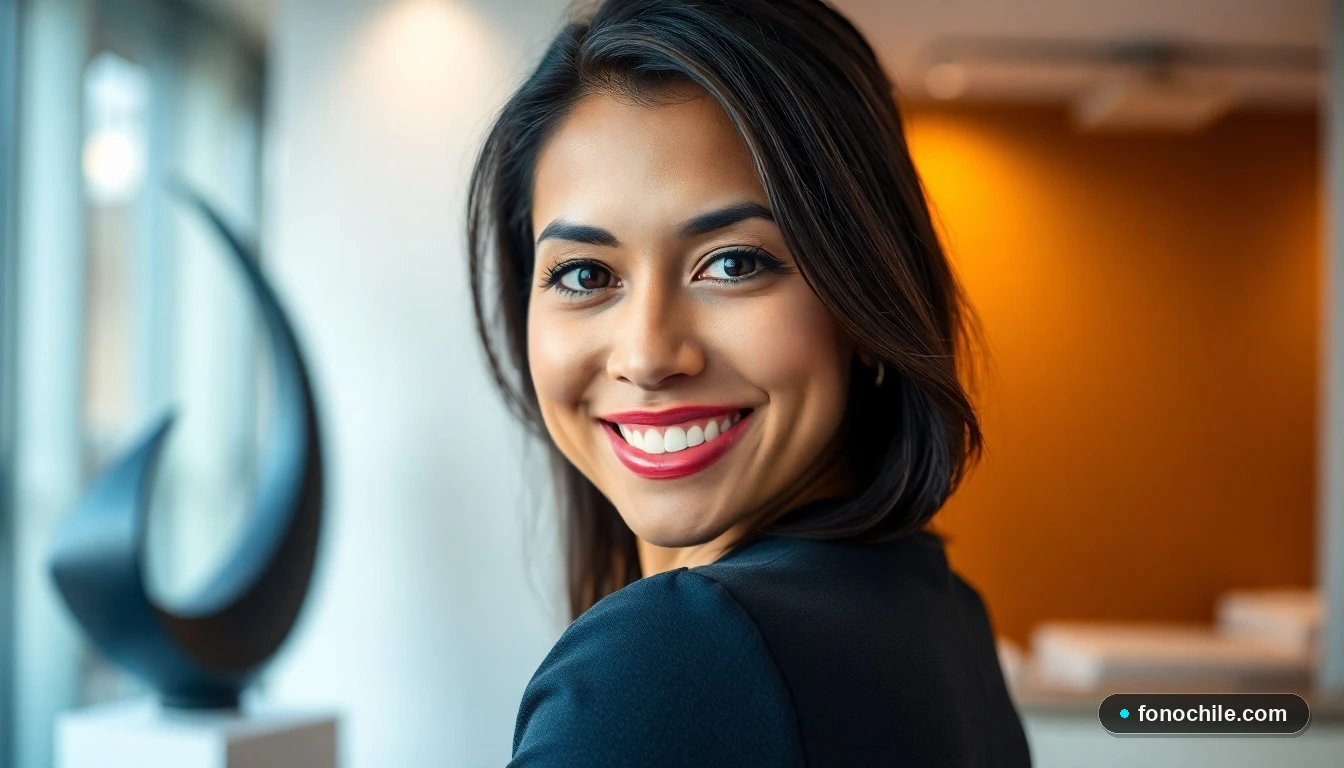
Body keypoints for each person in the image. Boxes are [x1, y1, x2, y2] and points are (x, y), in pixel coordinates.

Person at [468, 0, 1031, 764]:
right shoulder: (946, 612)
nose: (648, 353)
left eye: (734, 263)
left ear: (865, 301)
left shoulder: (667, 666)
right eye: (585, 274)